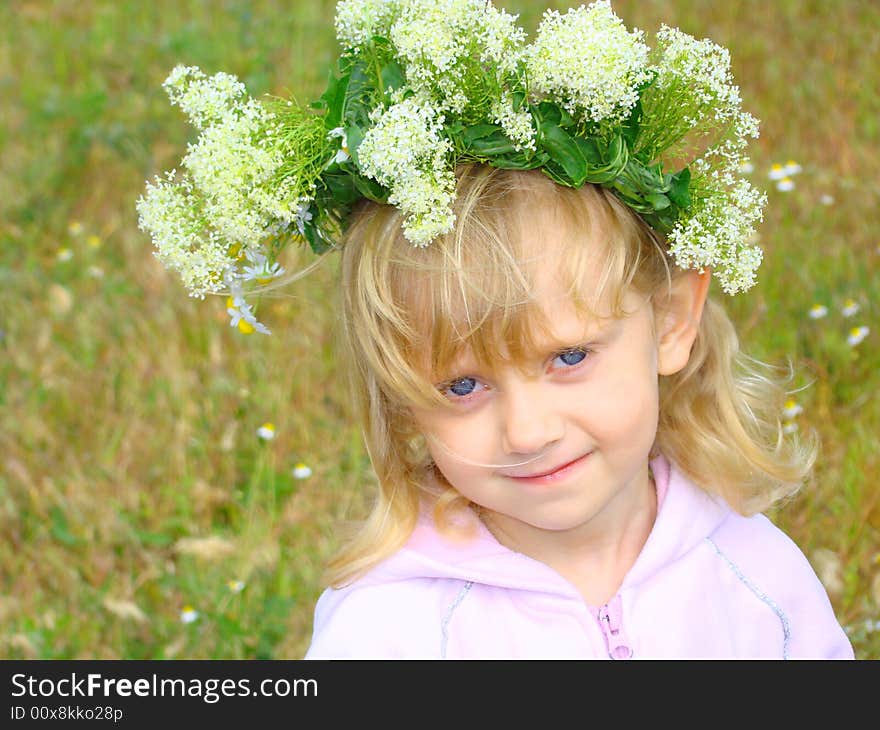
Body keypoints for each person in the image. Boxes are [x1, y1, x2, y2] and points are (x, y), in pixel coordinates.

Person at [136, 1, 854, 658]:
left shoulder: (757, 577)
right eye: (462, 384)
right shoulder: (392, 633)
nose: (527, 431)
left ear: (671, 320)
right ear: (398, 398)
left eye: (568, 356)